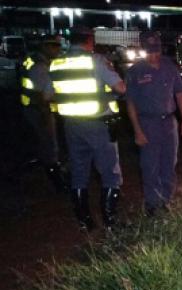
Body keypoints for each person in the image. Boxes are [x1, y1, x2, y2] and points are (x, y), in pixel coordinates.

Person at [49, 26, 126, 231]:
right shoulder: (97, 61)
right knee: (110, 173)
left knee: (79, 172)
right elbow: (121, 88)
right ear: (89, 40)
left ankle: (85, 221)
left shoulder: (56, 64)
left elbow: (48, 96)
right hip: (97, 123)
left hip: (71, 125)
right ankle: (111, 222)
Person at [126, 31, 182, 216]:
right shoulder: (135, 71)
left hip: (169, 122)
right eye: (150, 51)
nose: (154, 55)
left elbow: (180, 94)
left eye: (157, 50)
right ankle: (152, 205)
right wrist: (137, 130)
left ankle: (166, 201)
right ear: (143, 50)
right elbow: (130, 103)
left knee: (169, 164)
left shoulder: (169, 67)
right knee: (149, 166)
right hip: (147, 123)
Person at [19, 34, 68, 193]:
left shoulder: (33, 60)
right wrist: (45, 114)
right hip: (39, 110)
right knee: (49, 146)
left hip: (33, 109)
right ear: (45, 47)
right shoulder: (40, 67)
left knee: (45, 144)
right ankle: (58, 184)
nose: (58, 50)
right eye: (55, 46)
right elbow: (41, 95)